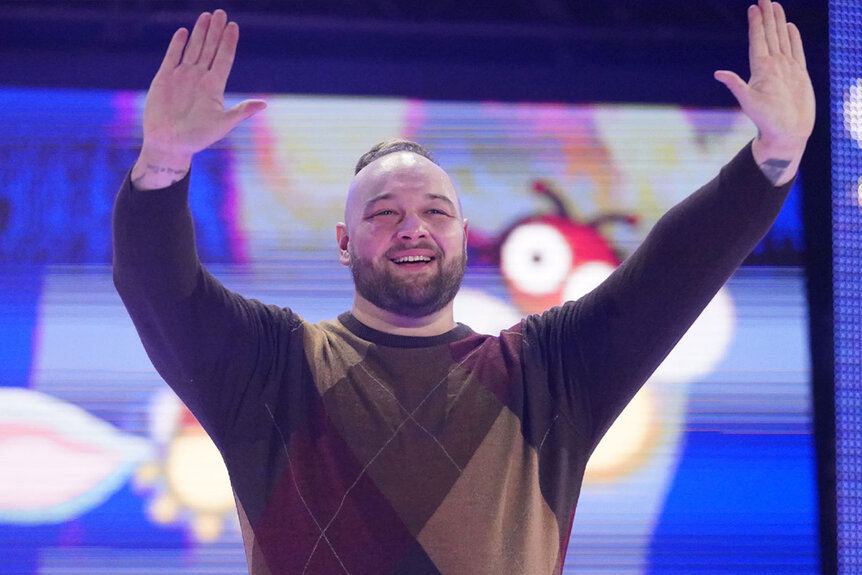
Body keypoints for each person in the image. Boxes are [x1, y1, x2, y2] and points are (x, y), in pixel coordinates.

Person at [112, 1, 814, 573]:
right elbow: (157, 287)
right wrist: (164, 162)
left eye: (434, 211)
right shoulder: (273, 367)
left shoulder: (549, 372)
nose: (412, 227)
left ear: (463, 231)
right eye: (384, 213)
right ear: (344, 241)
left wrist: (772, 161)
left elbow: (673, 271)